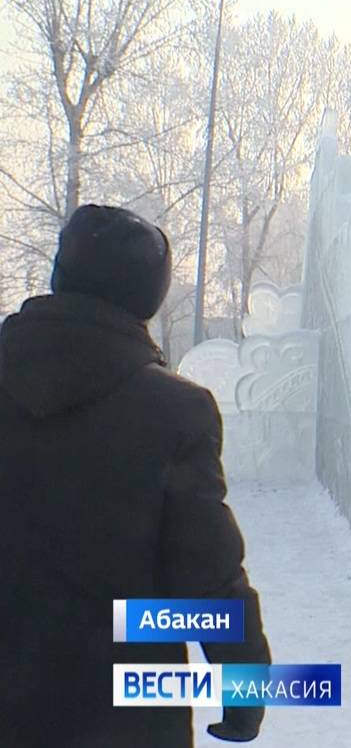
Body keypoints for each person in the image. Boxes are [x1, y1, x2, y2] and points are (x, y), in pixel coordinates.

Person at [0, 205, 271, 746]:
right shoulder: (174, 412)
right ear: (148, 297)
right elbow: (206, 574)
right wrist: (243, 683)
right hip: (124, 713)